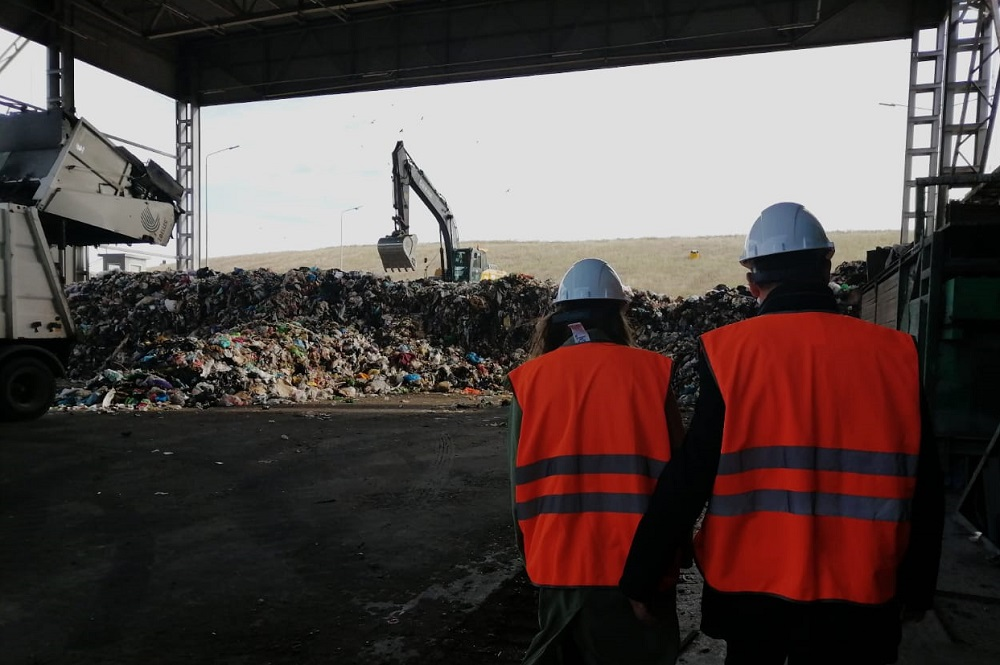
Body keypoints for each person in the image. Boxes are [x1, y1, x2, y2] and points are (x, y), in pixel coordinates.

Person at [619, 202, 945, 665]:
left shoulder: (729, 353)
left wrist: (642, 576)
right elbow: (926, 484)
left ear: (753, 282)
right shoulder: (895, 354)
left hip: (753, 596)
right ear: (826, 267)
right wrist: (919, 586)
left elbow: (689, 477)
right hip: (861, 595)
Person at [508, 257, 686, 665]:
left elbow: (517, 490)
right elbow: (680, 481)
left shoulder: (530, 380)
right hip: (641, 568)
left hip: (560, 565)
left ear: (559, 315)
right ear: (619, 314)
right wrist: (673, 556)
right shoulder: (652, 374)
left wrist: (534, 555)